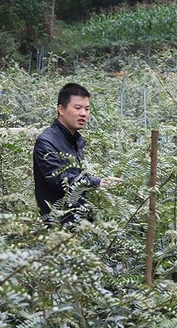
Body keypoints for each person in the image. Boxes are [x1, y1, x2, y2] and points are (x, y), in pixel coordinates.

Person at [33, 82, 120, 225]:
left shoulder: (74, 140)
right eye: (78, 108)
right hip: (57, 225)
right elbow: (59, 180)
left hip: (77, 221)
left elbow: (77, 178)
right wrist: (96, 182)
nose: (83, 114)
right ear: (61, 109)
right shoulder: (46, 142)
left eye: (87, 109)